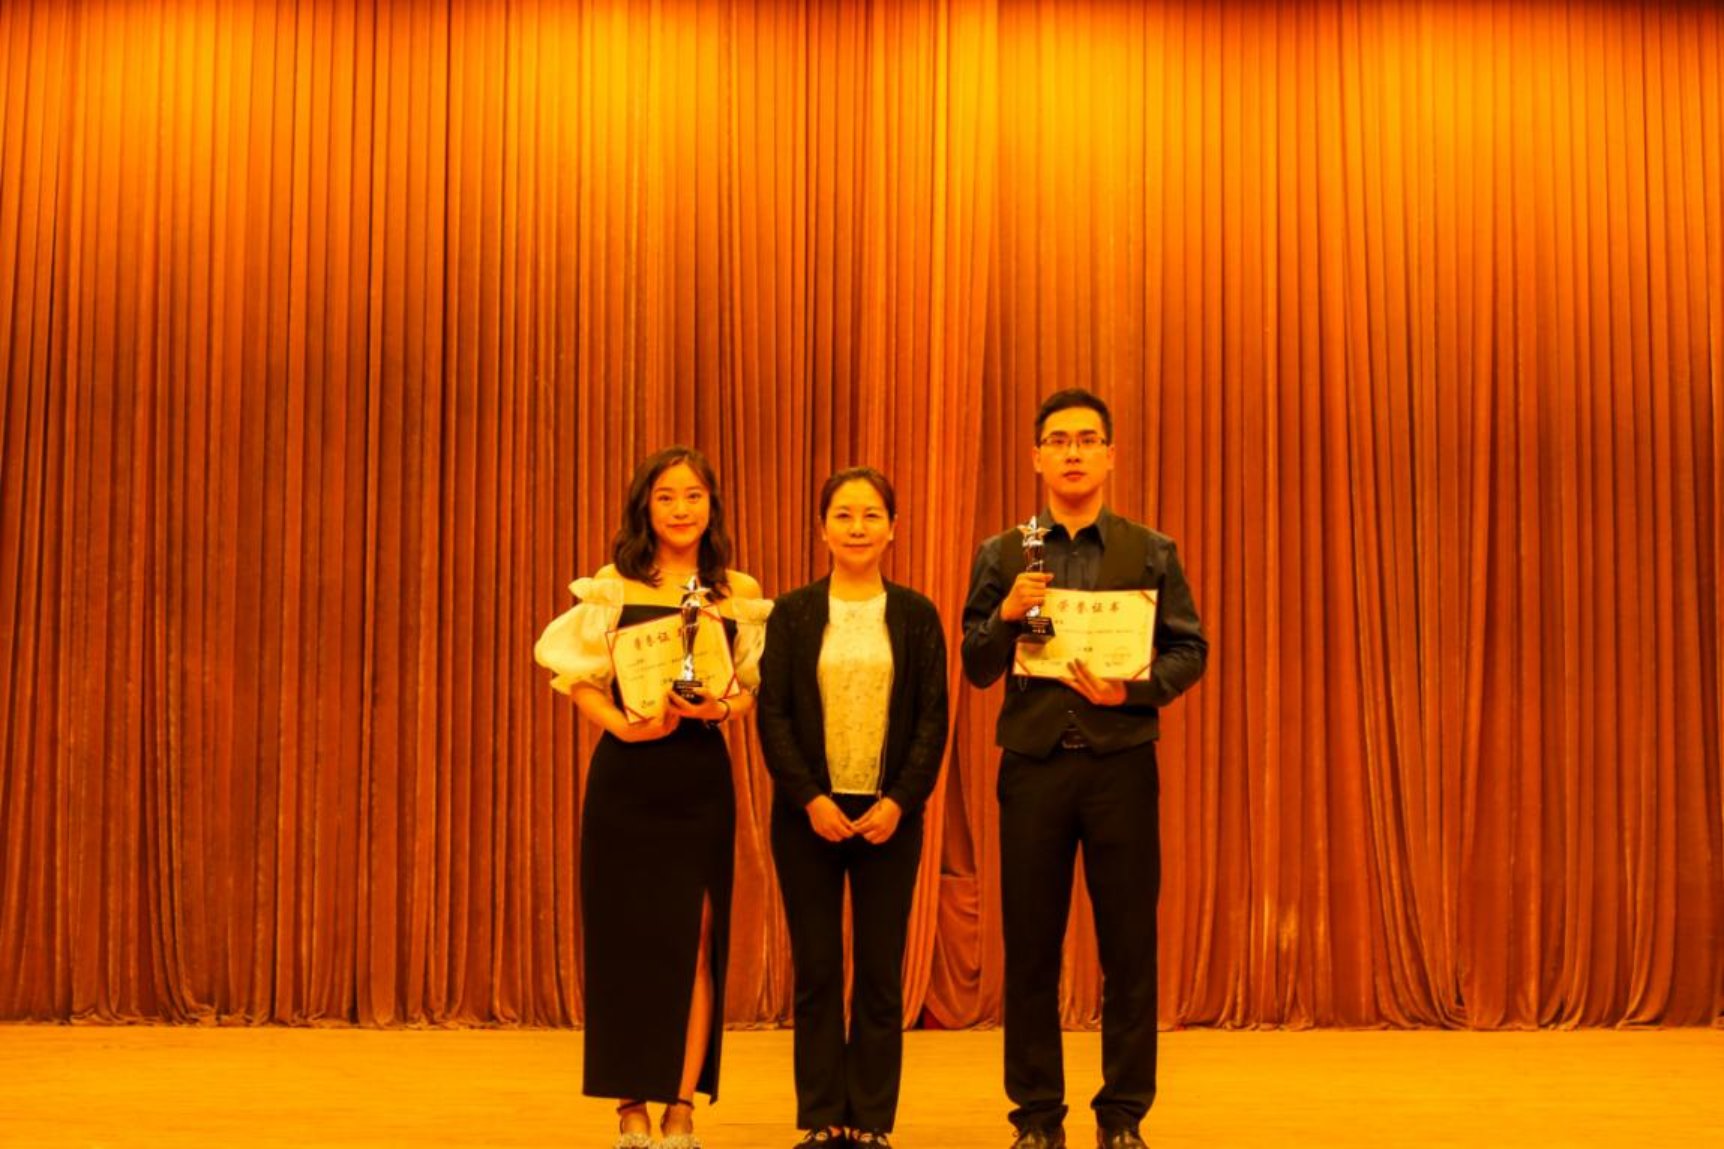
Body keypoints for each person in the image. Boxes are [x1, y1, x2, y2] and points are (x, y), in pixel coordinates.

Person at [960, 390, 1208, 1149]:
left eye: (1087, 439)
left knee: (1128, 948)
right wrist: (1004, 616)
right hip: (1033, 766)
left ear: (1110, 455)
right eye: (1059, 440)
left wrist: (1130, 691)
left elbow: (1189, 650)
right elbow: (975, 664)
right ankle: (1037, 1116)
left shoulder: (1151, 550)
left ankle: (1123, 1114)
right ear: (1036, 456)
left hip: (1120, 766)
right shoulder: (1005, 552)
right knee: (1030, 948)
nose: (1073, 452)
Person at [534, 446, 771, 1149]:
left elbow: (750, 687)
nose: (680, 508)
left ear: (712, 505)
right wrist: (620, 725)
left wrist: (721, 710)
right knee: (627, 941)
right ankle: (631, 1107)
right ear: (645, 506)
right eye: (666, 496)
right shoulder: (613, 585)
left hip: (699, 777)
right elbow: (573, 675)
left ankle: (681, 1108)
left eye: (693, 495)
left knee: (697, 941)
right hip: (627, 779)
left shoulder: (737, 590)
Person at [757, 467, 950, 1149]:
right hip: (807, 816)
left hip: (889, 818)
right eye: (844, 514)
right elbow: (773, 714)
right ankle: (820, 1115)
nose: (858, 527)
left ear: (892, 528)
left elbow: (932, 718)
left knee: (878, 971)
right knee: (816, 970)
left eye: (871, 515)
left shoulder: (917, 615)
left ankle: (870, 1118)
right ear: (823, 529)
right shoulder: (792, 613)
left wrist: (900, 801)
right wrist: (809, 797)